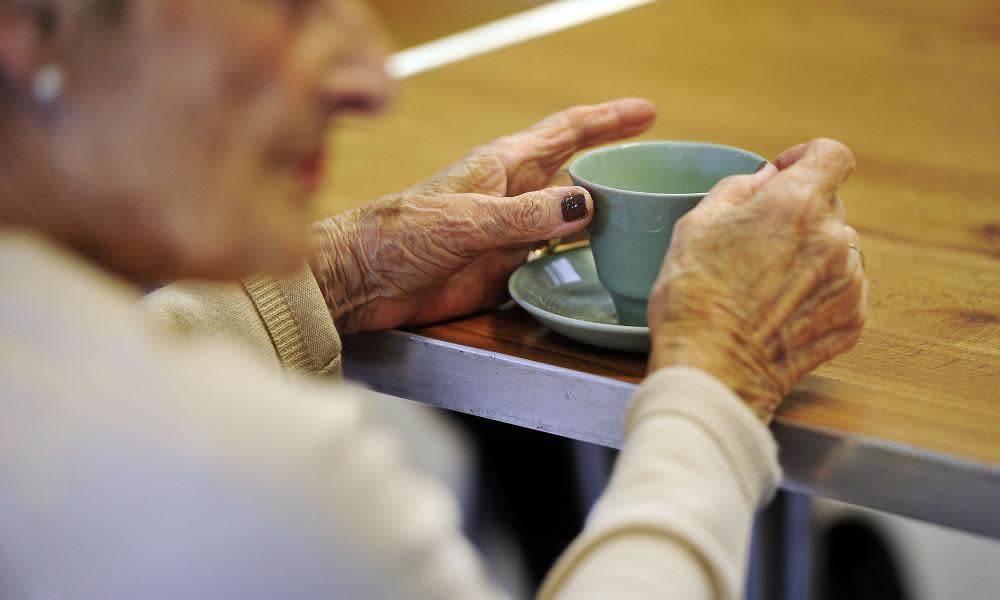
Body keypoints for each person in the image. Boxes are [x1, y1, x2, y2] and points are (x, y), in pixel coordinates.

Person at [0, 0, 867, 598]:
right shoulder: (246, 469)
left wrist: (338, 275)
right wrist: (718, 379)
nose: (372, 79)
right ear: (26, 30)